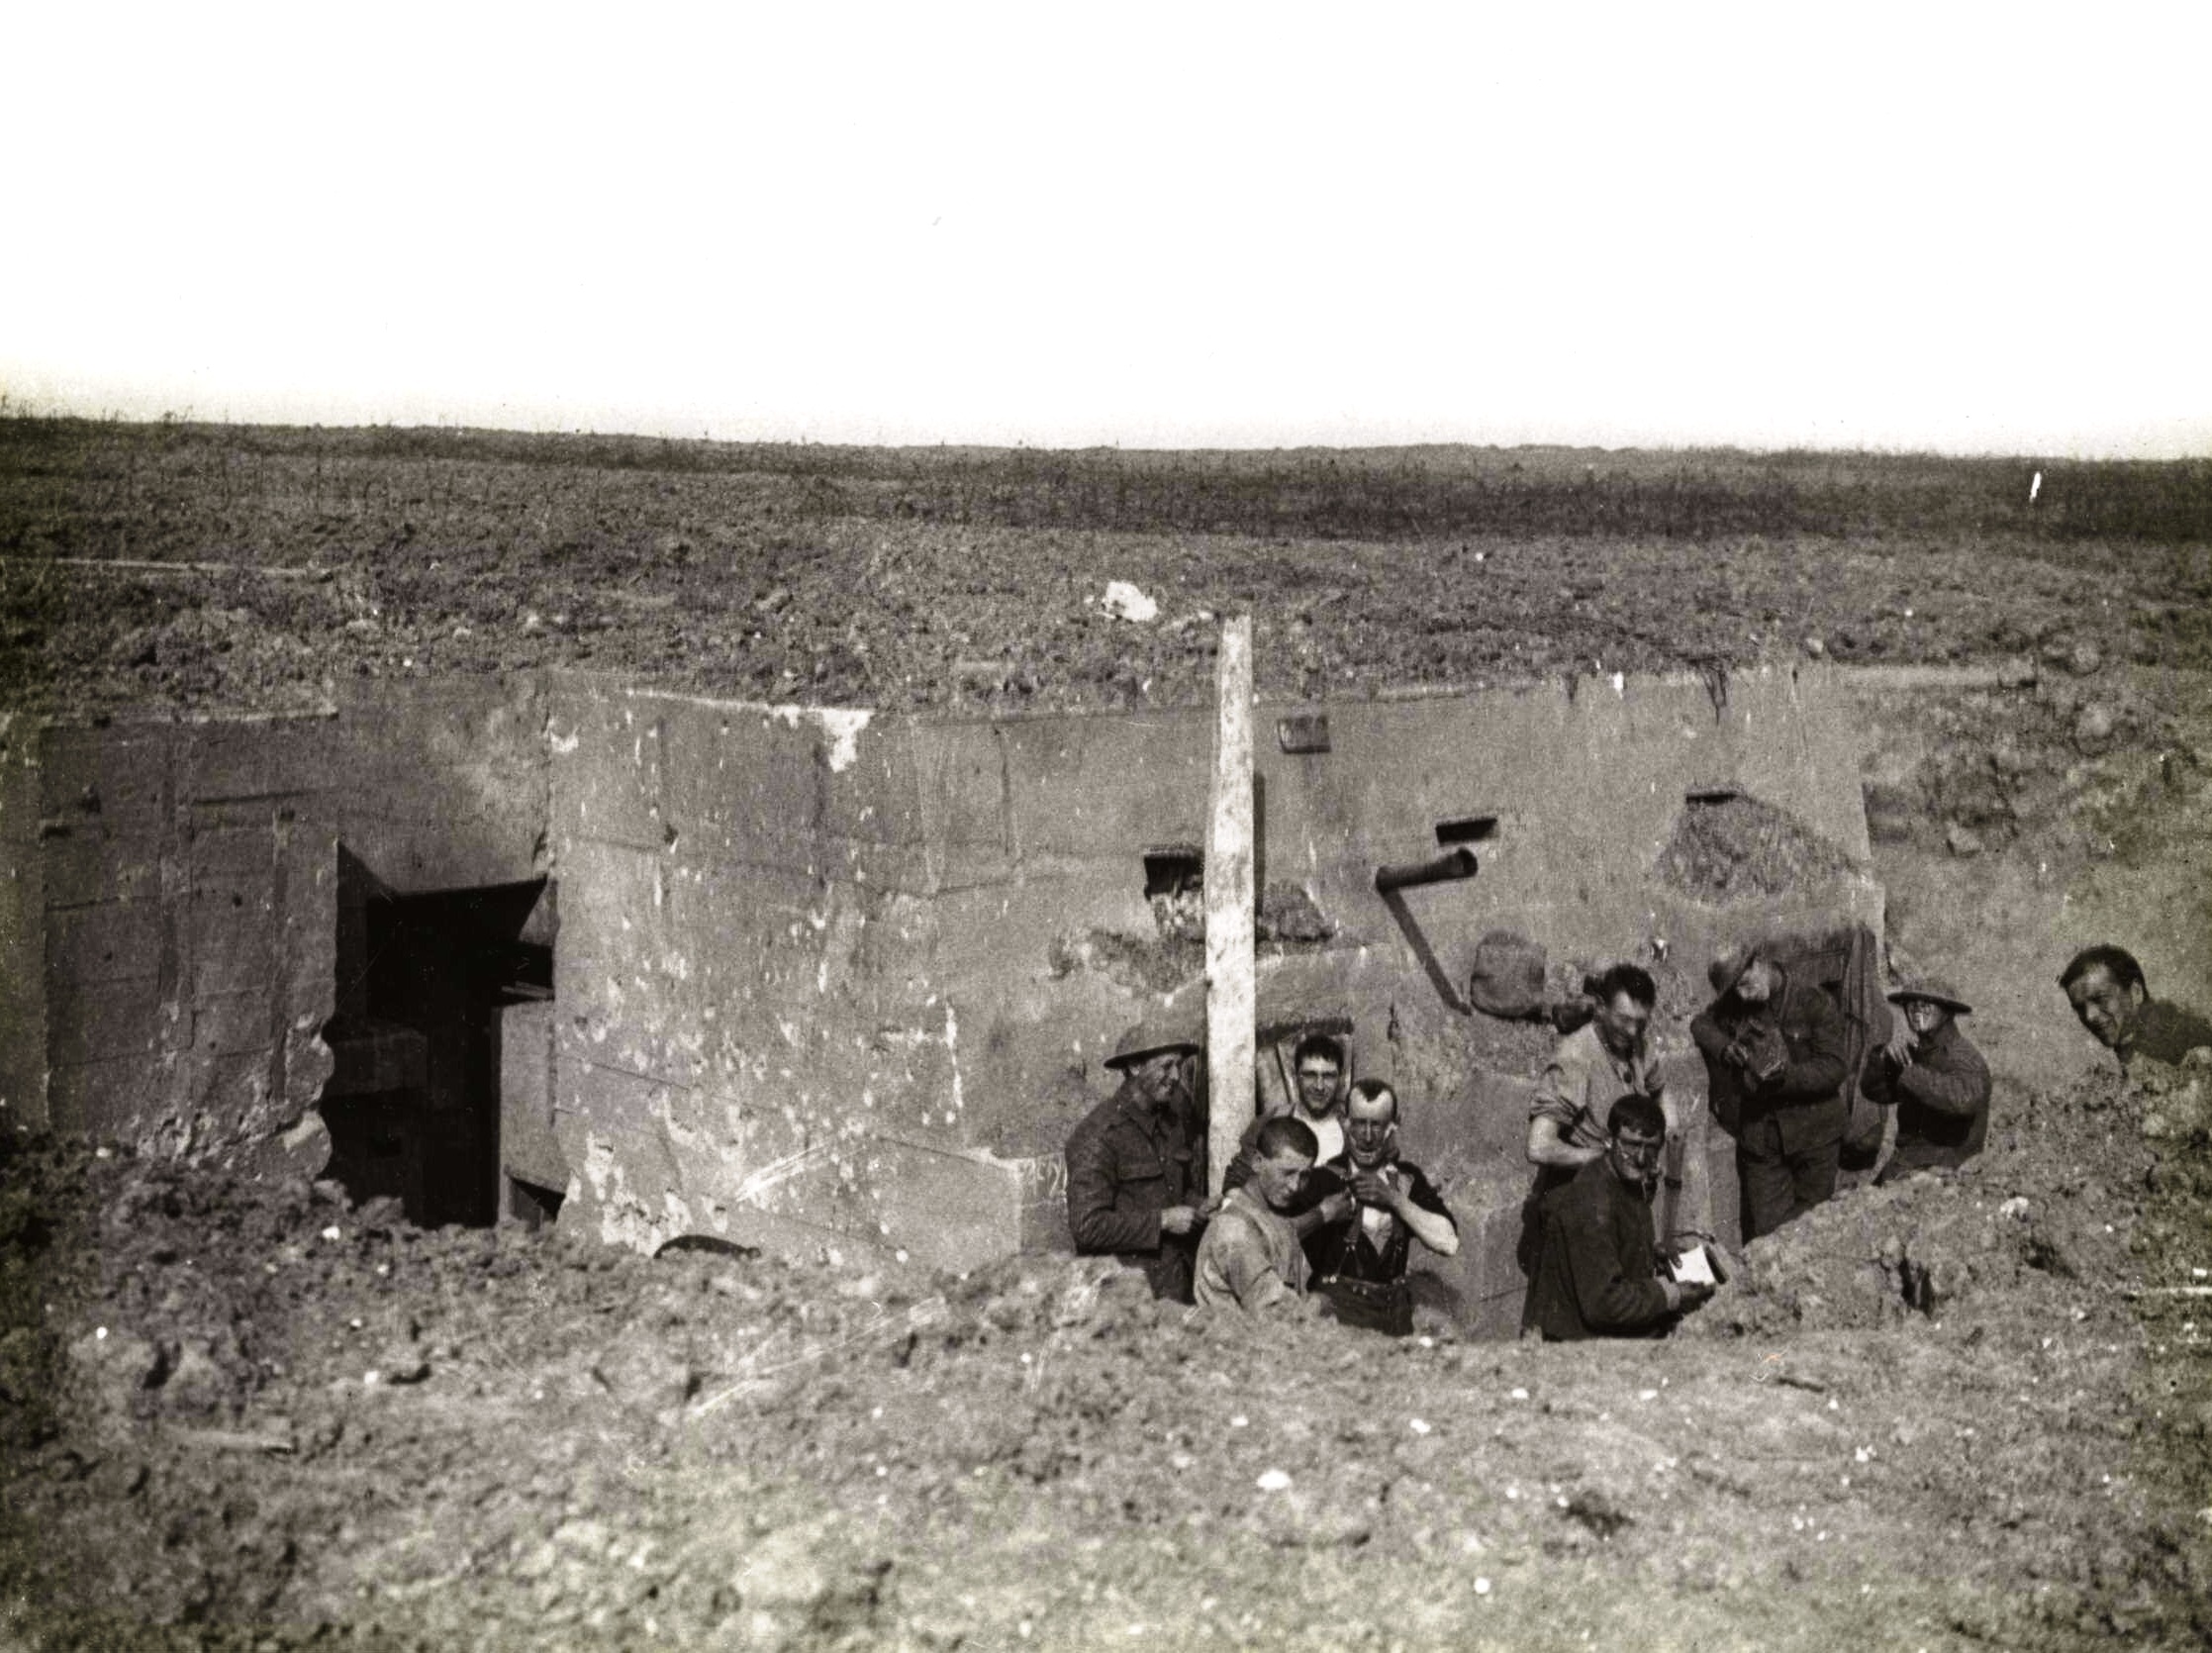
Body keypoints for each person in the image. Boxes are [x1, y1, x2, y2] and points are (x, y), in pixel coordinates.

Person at [1691, 942, 1849, 1242]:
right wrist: (1725, 1048)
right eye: (1735, 989)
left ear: (1760, 961)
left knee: (1813, 1233)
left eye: (1745, 984)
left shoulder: (1812, 1000)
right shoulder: (1736, 1002)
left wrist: (1785, 1078)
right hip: (1762, 1139)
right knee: (1766, 1239)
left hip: (1815, 1137)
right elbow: (1700, 1024)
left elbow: (1835, 1067)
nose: (1741, 995)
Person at [1524, 1093, 1714, 1340]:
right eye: (1631, 1145)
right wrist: (1671, 1295)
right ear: (1608, 1141)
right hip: (1582, 1343)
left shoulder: (1622, 1179)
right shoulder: (1592, 1202)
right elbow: (1605, 1303)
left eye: (1651, 1148)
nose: (1641, 1158)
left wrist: (1649, 1254)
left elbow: (1612, 1248)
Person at [1065, 1017, 1207, 1303]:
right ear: (1135, 1067)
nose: (1176, 1077)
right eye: (1166, 1066)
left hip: (1177, 1281)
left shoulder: (1172, 1122)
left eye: (1179, 1066)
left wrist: (1198, 1205)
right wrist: (1163, 1221)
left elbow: (1173, 1190)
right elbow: (1087, 1227)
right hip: (1127, 1294)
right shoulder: (1098, 1134)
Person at [1299, 1080, 1459, 1335]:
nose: (1367, 1136)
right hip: (1336, 1328)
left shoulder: (1407, 1179)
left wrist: (1394, 1199)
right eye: (1359, 1123)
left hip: (1393, 1324)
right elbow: (1279, 1233)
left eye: (1377, 1125)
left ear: (1394, 1124)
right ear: (1344, 1121)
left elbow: (1448, 1243)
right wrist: (1322, 1214)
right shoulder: (1322, 1180)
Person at [1528, 963, 1666, 1196]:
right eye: (1624, 1020)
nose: (1632, 1031)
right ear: (1601, 1008)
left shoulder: (1635, 1044)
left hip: (1622, 1188)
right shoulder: (1576, 1057)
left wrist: (1660, 1146)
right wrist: (1606, 1158)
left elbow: (1660, 1089)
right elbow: (1538, 1147)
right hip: (1580, 1190)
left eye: (1640, 1023)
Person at [1858, 976, 1991, 1180]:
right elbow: (1876, 1092)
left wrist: (1910, 1073)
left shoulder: (1962, 1056)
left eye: (1927, 1004)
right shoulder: (1917, 1052)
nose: (1917, 1009)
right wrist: (1883, 1057)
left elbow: (1963, 1100)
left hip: (1945, 1167)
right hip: (1910, 1162)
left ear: (1946, 1012)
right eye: (1911, 1003)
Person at [1193, 1117, 1317, 1314]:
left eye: (1304, 1176)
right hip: (1235, 1334)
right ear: (1257, 1162)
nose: (1294, 1186)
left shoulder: (1273, 1215)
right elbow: (1277, 1313)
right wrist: (1320, 1304)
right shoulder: (1235, 1230)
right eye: (1287, 1173)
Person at [2059, 945, 2212, 1069]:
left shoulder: (2176, 1045)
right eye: (2079, 1008)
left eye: (2100, 999)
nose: (2089, 1016)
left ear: (2136, 991)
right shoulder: (2138, 1044)